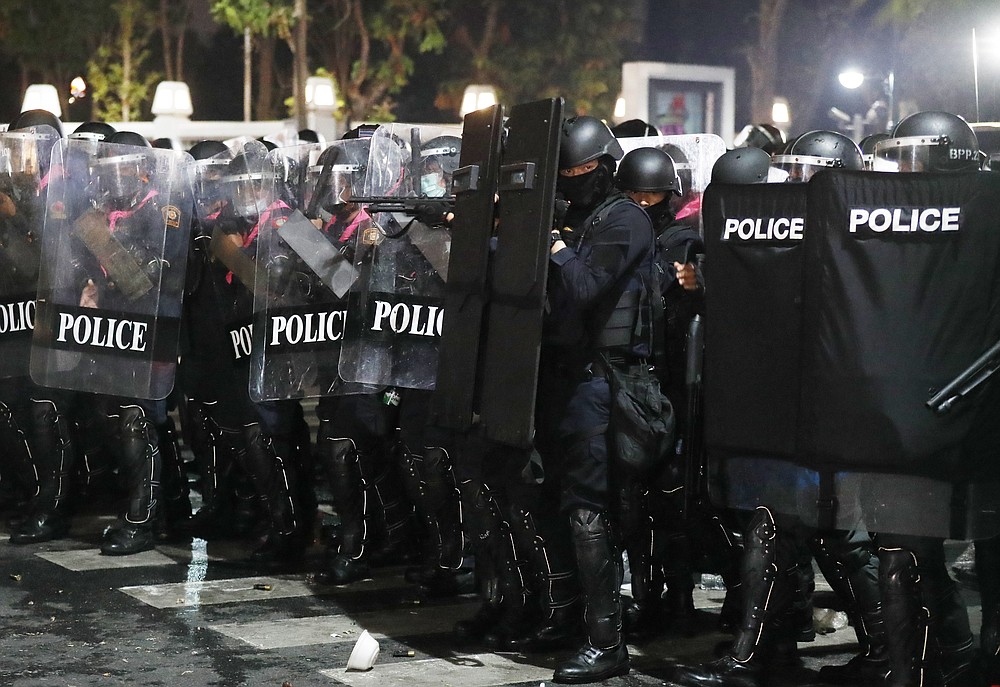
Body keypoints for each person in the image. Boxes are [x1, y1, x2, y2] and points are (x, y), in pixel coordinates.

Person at [540, 115, 656, 683]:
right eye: (566, 171)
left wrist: (555, 245)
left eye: (583, 168)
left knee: (590, 508)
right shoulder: (577, 217)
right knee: (557, 500)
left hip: (603, 382)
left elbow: (585, 288)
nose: (574, 178)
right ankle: (570, 617)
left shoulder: (624, 219)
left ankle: (606, 641)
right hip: (561, 376)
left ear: (606, 166)